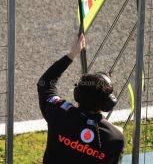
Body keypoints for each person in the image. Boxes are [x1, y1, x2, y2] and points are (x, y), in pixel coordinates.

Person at [37, 33, 124, 164]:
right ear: (108, 103)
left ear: (77, 95)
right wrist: (113, 130)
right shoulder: (115, 138)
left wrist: (72, 54)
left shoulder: (58, 113)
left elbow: (45, 83)